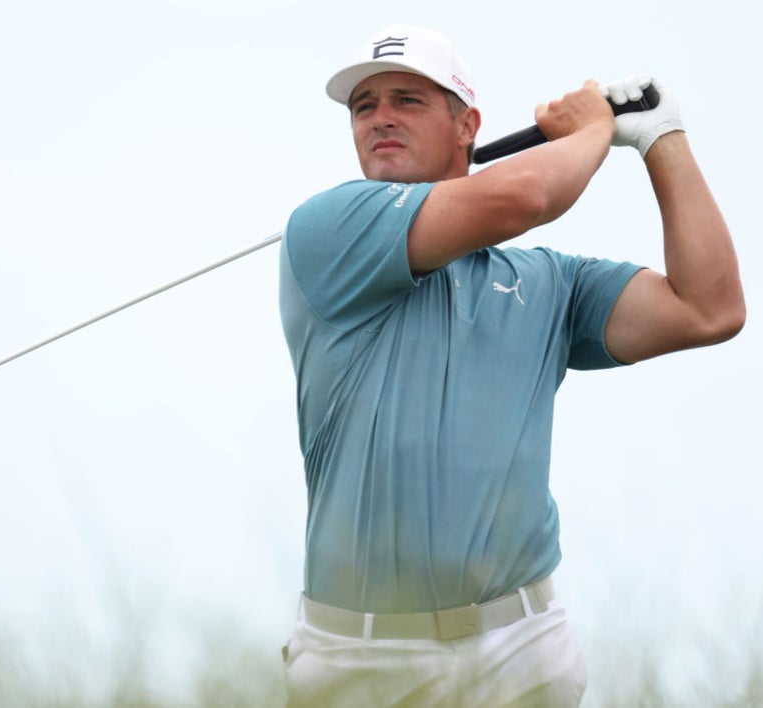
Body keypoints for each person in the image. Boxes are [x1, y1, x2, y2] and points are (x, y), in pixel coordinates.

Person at [277, 23, 745, 707]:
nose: (379, 118)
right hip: (361, 655)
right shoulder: (329, 228)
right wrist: (591, 132)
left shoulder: (548, 283)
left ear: (466, 125)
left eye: (407, 100)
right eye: (363, 106)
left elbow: (709, 307)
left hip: (521, 649)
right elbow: (518, 199)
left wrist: (658, 138)